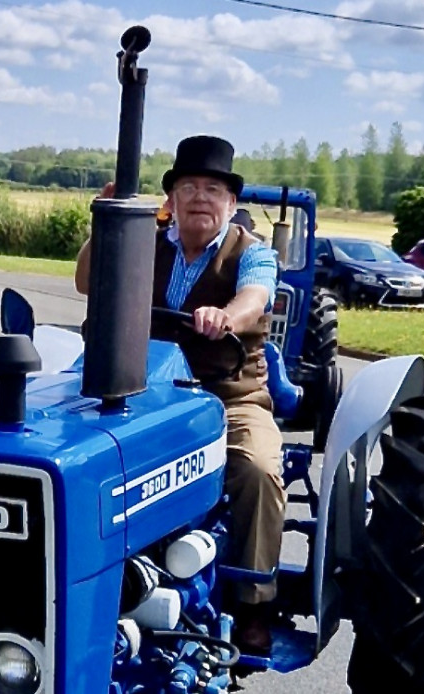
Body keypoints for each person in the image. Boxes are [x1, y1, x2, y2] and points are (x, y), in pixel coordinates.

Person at [74, 135, 284, 654]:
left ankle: (254, 599)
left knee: (257, 467)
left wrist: (226, 317)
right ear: (170, 198)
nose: (200, 198)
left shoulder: (252, 254)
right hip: (144, 390)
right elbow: (85, 281)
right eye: (188, 186)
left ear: (231, 203)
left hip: (226, 397)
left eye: (213, 188)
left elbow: (255, 299)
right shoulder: (146, 243)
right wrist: (105, 224)